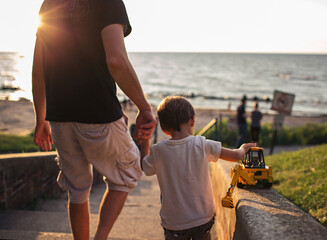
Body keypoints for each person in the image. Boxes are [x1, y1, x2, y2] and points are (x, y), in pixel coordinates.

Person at [32, 1, 156, 240]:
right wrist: (144, 107)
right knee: (128, 174)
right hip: (98, 111)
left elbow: (38, 70)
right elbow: (116, 61)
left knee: (77, 189)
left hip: (59, 115)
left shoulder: (50, 3)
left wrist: (41, 118)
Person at [138, 96, 256, 240]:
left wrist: (145, 141)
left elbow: (145, 167)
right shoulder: (202, 144)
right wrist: (243, 148)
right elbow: (235, 156)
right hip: (202, 218)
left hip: (174, 224)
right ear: (192, 120)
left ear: (164, 128)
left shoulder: (159, 150)